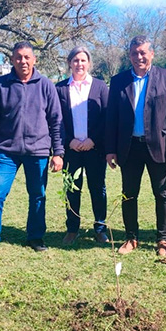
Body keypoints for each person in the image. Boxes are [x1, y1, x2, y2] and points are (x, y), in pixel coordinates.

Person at [0, 41, 64, 255]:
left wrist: (58, 152)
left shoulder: (46, 85)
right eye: (18, 57)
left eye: (27, 57)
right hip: (6, 151)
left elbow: (56, 121)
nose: (23, 61)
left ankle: (35, 236)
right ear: (12, 60)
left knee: (38, 195)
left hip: (38, 151)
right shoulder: (1, 85)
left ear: (34, 60)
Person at [105, 35, 166, 257]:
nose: (138, 57)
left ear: (151, 54)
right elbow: (111, 118)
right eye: (134, 53)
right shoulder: (119, 81)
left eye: (142, 52)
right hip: (128, 147)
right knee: (129, 194)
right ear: (129, 56)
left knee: (161, 193)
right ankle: (131, 238)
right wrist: (110, 149)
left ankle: (163, 240)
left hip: (158, 145)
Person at [55, 46, 110, 245]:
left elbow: (107, 117)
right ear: (70, 63)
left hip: (95, 149)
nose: (79, 64)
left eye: (83, 60)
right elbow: (56, 119)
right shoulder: (60, 88)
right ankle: (72, 229)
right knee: (71, 190)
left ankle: (100, 228)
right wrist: (68, 140)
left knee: (98, 189)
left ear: (89, 63)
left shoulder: (100, 86)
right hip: (71, 150)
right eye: (76, 60)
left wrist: (93, 139)